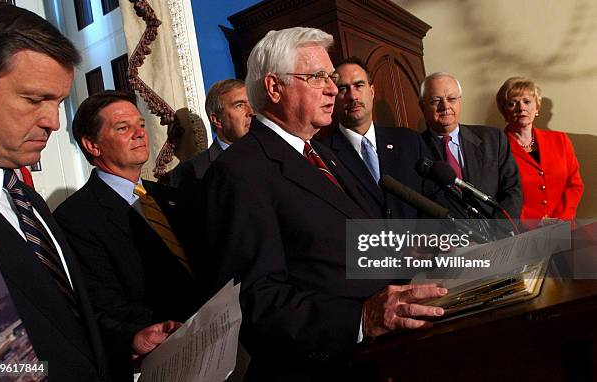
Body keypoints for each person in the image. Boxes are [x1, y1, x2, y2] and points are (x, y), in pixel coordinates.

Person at [202, 27, 447, 381]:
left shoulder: (322, 155)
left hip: (384, 357)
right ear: (274, 87)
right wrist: (360, 318)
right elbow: (256, 301)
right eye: (318, 77)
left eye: (329, 77)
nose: (333, 88)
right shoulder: (239, 172)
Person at [0, 2, 176, 381]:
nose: (53, 122)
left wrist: (127, 342)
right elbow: (2, 367)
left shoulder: (27, 201)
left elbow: (66, 319)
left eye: (57, 103)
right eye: (35, 99)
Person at [53, 90, 201, 380]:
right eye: (123, 128)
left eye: (142, 125)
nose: (139, 134)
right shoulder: (76, 217)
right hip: (162, 356)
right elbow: (101, 303)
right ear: (92, 145)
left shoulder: (170, 195)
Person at [319, 57, 431, 218]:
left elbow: (434, 196)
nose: (353, 96)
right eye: (343, 88)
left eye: (359, 85)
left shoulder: (409, 141)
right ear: (333, 97)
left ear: (372, 92)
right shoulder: (323, 155)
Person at [419, 72, 523, 219]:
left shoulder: (493, 138)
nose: (445, 106)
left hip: (496, 234)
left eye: (452, 99)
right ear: (422, 106)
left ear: (459, 101)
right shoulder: (414, 147)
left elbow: (512, 190)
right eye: (436, 100)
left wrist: (500, 232)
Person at [496, 77, 583, 226]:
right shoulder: (497, 148)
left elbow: (574, 185)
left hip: (565, 230)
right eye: (512, 103)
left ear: (537, 108)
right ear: (504, 112)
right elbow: (498, 196)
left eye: (527, 101)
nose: (521, 107)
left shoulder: (560, 140)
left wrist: (562, 220)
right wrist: (537, 222)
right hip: (522, 232)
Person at [168, 79, 253, 187]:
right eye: (239, 105)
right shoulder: (192, 172)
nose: (251, 112)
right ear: (217, 120)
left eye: (251, 104)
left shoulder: (270, 153)